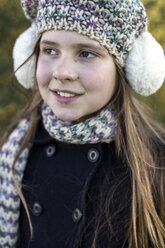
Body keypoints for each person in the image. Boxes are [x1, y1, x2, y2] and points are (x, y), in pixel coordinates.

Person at [0, 0, 165, 247]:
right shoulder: (17, 148)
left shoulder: (155, 162)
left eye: (86, 53)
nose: (62, 72)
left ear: (125, 68)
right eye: (50, 51)